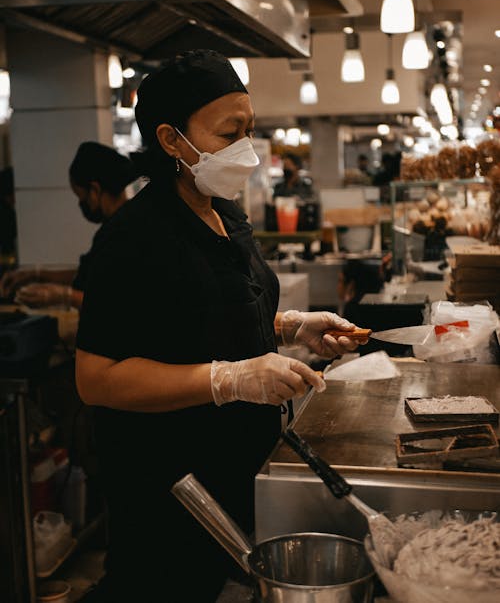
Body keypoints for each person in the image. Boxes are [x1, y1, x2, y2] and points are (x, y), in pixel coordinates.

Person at [74, 49, 367, 602]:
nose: (245, 148)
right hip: (173, 494)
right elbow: (96, 377)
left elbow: (207, 312)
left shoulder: (224, 211)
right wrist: (228, 380)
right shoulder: (133, 238)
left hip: (237, 478)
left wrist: (288, 328)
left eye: (249, 130)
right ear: (170, 140)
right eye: (229, 132)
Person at [0, 142, 135, 309]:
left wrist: (64, 296)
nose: (80, 204)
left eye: (80, 196)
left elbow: (118, 303)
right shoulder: (114, 225)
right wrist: (36, 275)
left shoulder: (128, 231)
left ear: (95, 190)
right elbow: (90, 277)